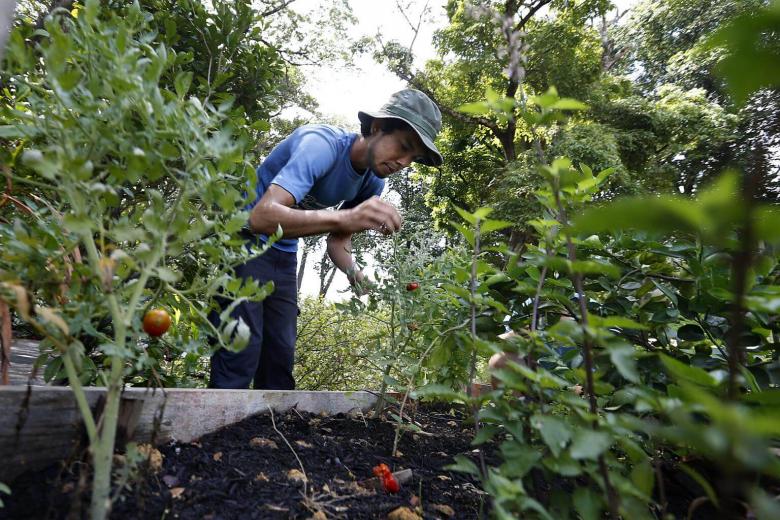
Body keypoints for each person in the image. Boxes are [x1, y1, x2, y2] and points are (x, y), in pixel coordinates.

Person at [209, 88, 444, 390]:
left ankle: (265, 436)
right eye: (403, 146)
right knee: (240, 352)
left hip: (283, 250)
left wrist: (356, 274)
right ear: (376, 128)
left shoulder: (372, 180)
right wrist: (346, 217)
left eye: (414, 158)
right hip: (243, 241)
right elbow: (262, 217)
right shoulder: (320, 145)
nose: (404, 162)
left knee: (280, 358)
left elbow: (337, 242)